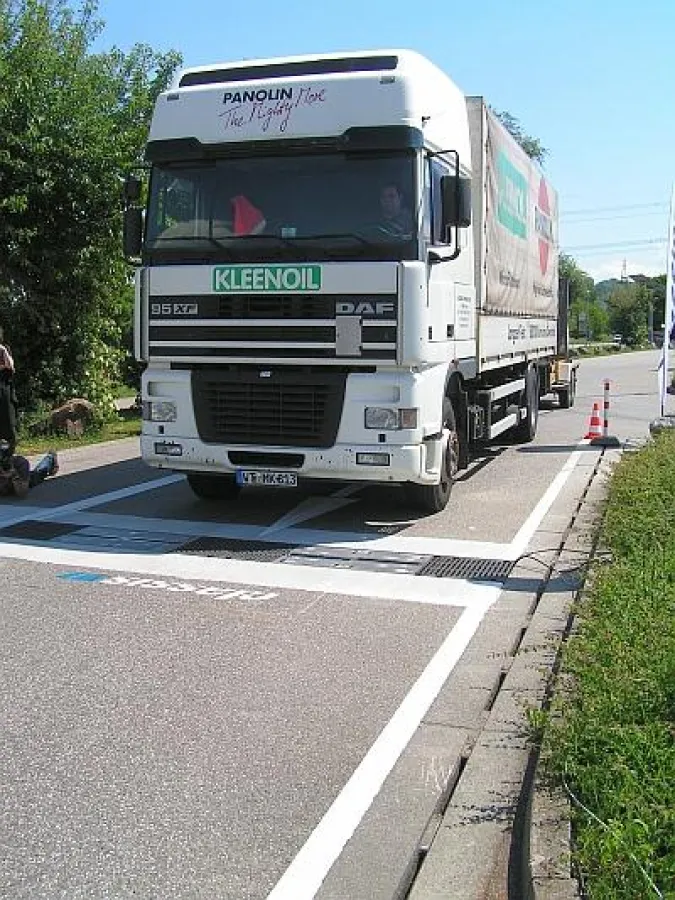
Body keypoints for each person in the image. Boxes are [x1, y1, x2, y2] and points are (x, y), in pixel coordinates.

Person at [0, 326, 18, 454]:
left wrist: (3, 350)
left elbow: (11, 367)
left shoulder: (5, 348)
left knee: (8, 423)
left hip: (5, 390)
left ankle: (8, 453)